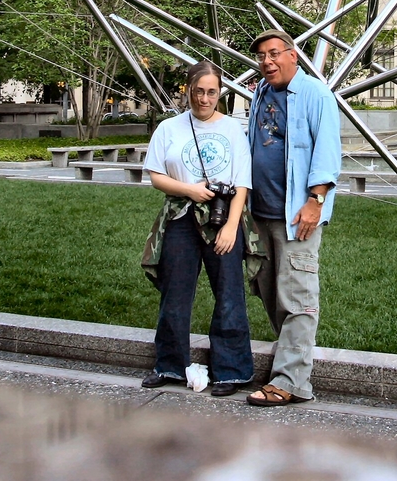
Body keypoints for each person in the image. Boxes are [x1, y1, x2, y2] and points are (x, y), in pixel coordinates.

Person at [140, 60, 261, 397]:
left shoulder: (232, 129)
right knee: (175, 294)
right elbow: (156, 176)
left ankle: (232, 371)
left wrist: (231, 228)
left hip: (223, 219)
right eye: (198, 91)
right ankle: (168, 364)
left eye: (211, 92)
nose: (204, 99)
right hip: (181, 218)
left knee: (229, 294)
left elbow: (242, 184)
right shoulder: (169, 129)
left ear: (219, 93)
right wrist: (191, 190)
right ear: (188, 90)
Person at [244, 29, 341, 407]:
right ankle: (289, 365)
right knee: (269, 292)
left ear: (293, 56)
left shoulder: (316, 95)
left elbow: (328, 152)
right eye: (261, 56)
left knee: (297, 296)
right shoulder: (261, 94)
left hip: (296, 215)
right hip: (261, 212)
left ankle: (290, 382)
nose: (267, 61)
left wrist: (315, 201)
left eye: (273, 54)